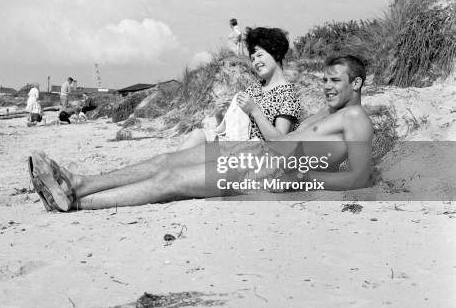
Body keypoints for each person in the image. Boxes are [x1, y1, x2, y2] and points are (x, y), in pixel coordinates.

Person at [28, 55, 374, 211]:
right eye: (325, 79)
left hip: (265, 171)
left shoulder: (356, 117)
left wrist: (304, 180)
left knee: (172, 182)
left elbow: (359, 176)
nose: (326, 86)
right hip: (254, 152)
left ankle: (77, 203)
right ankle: (77, 183)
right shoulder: (326, 113)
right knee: (166, 161)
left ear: (356, 83)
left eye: (335, 81)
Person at [179, 27, 301, 150]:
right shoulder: (254, 89)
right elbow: (236, 127)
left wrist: (254, 110)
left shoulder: (288, 94)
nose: (255, 62)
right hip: (236, 144)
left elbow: (280, 142)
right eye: (252, 58)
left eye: (259, 55)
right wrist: (219, 116)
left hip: (257, 152)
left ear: (276, 54)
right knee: (198, 134)